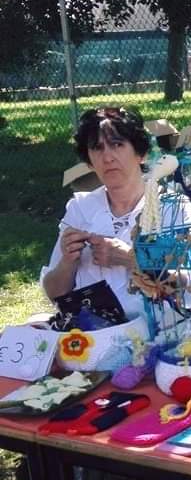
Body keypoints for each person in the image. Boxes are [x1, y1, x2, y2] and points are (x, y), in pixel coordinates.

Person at [41, 107, 161, 320]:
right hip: (92, 337)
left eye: (117, 145)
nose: (107, 157)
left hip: (159, 333)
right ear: (89, 161)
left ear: (141, 154)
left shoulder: (169, 206)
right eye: (97, 148)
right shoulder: (80, 209)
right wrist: (67, 263)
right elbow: (55, 294)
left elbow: (186, 285)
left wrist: (130, 259)